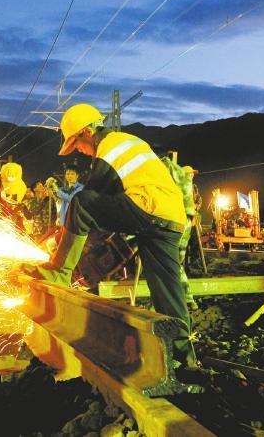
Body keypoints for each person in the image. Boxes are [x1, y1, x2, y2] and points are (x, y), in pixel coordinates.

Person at [19, 104, 196, 369]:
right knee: (168, 290)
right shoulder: (130, 143)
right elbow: (109, 205)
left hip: (146, 208)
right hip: (171, 219)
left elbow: (91, 198)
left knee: (81, 202)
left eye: (76, 144)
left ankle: (59, 271)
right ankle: (185, 358)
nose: (78, 151)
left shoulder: (110, 146)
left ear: (87, 132)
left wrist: (62, 240)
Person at [160, 156, 197, 310]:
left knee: (173, 260)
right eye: (191, 173)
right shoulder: (185, 181)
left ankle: (182, 299)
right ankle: (187, 298)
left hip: (178, 219)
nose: (192, 175)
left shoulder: (169, 170)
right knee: (177, 260)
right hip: (185, 219)